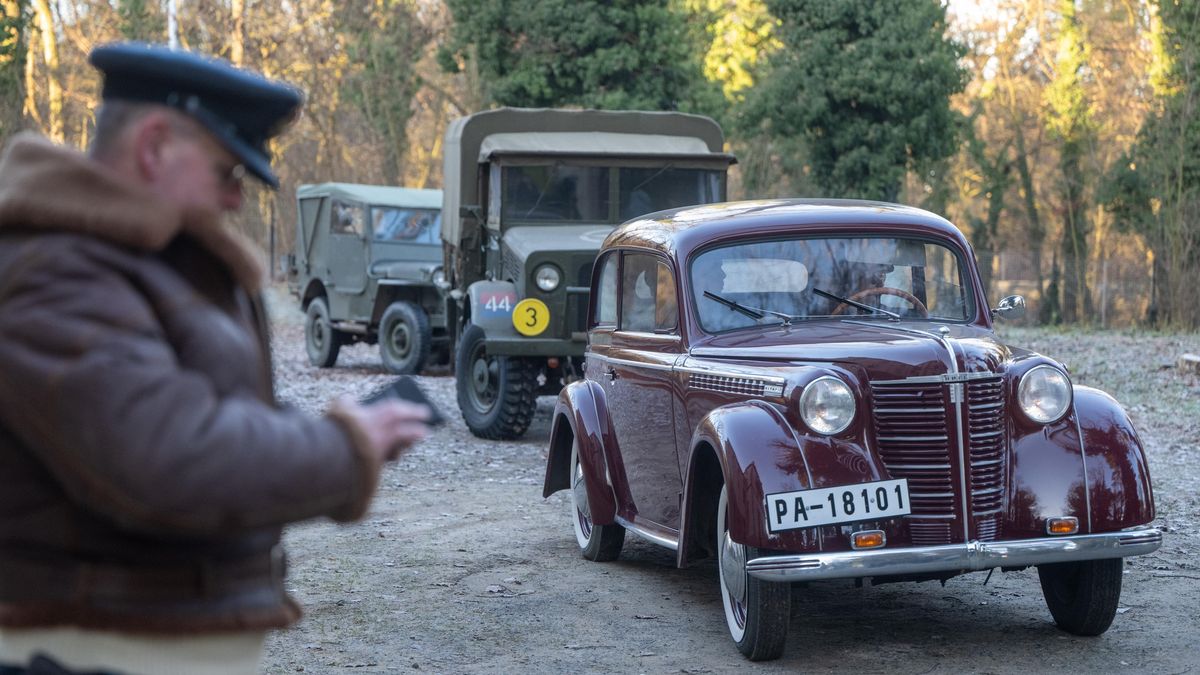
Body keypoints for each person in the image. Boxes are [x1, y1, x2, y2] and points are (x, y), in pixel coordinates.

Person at [0, 43, 430, 675]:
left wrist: (322, 434)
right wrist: (346, 448)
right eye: (227, 172)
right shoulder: (58, 269)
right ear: (153, 147)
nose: (236, 200)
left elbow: (208, 413)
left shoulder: (136, 259)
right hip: (81, 652)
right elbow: (165, 459)